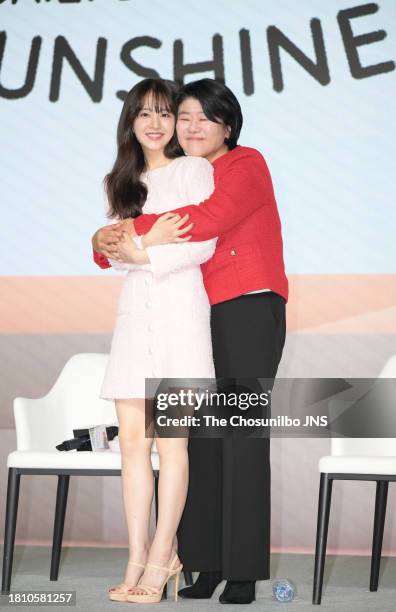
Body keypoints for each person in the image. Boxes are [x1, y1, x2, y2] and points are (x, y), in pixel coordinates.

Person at [93, 78, 288, 605]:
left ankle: (242, 568)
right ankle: (201, 561)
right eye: (185, 116)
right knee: (199, 439)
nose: (191, 126)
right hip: (198, 311)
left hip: (248, 303)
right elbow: (130, 235)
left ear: (228, 125)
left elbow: (207, 221)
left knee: (239, 435)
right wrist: (107, 239)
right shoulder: (162, 173)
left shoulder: (244, 164)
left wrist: (124, 234)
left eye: (206, 117)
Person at [98, 77, 218, 604]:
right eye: (143, 113)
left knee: (172, 447)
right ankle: (136, 556)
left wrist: (141, 248)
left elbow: (203, 243)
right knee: (131, 447)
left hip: (180, 317)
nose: (154, 123)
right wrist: (148, 239)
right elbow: (111, 250)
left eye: (164, 113)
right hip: (133, 319)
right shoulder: (122, 181)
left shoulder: (194, 170)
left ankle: (164, 555)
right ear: (130, 121)